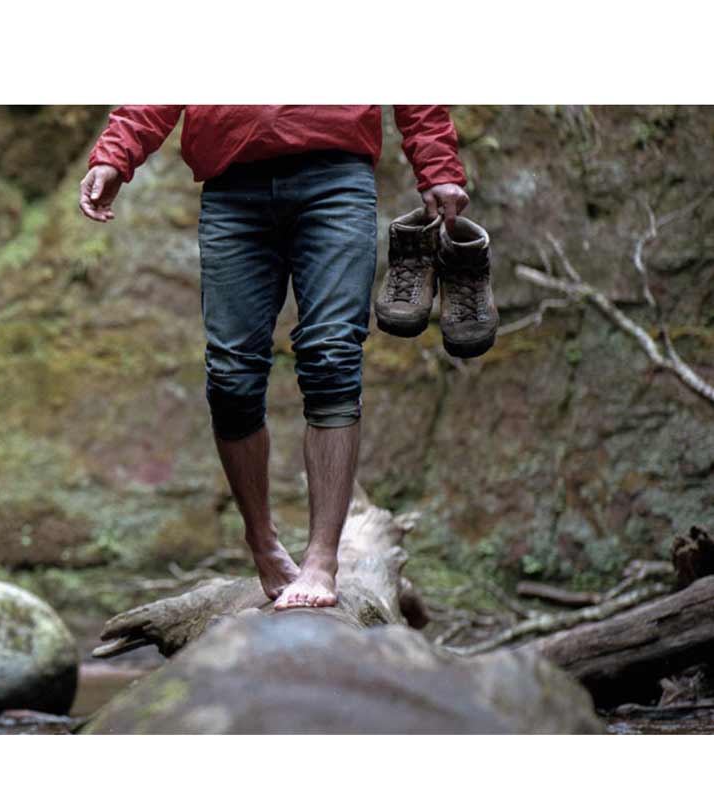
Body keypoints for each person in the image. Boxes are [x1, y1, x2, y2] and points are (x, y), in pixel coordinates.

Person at [78, 106, 476, 611]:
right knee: (230, 374)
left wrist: (438, 167)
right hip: (231, 183)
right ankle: (263, 543)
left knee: (332, 356)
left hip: (336, 176)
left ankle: (322, 560)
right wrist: (116, 153)